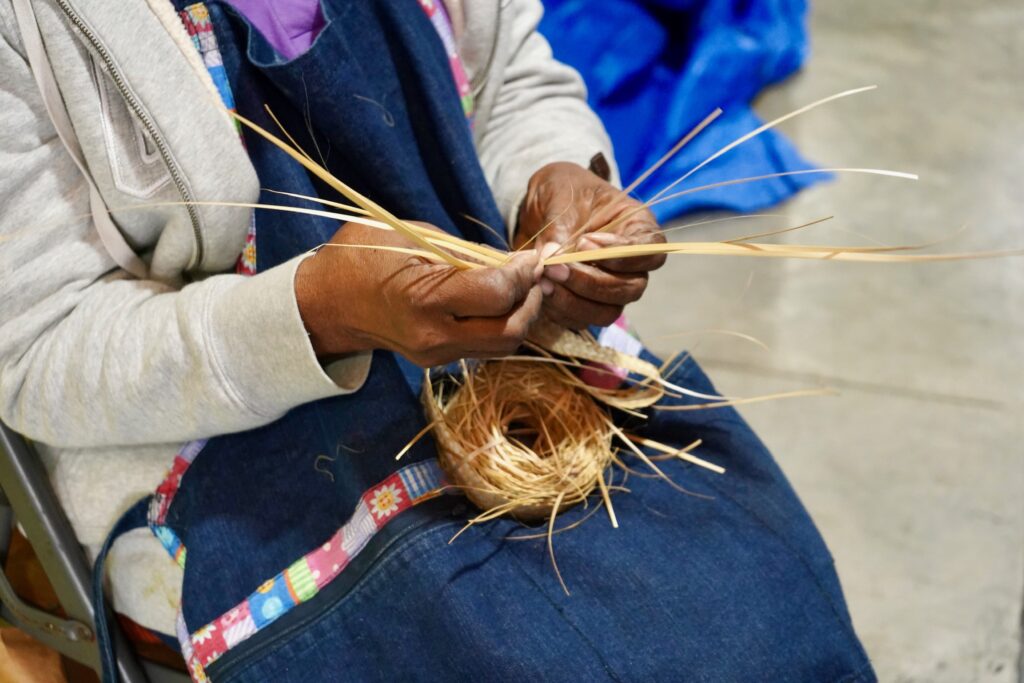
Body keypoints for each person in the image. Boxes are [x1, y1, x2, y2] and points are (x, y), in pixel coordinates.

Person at [0, 0, 875, 680]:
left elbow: (517, 81)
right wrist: (317, 311)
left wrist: (560, 177)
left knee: (760, 598)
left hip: (498, 356)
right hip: (207, 453)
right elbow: (41, 347)